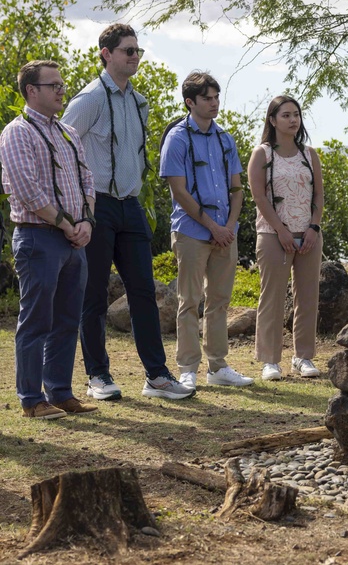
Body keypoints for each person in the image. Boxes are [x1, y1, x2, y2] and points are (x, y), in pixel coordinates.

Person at [61, 24, 194, 401]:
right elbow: (62, 149)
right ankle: (97, 376)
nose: (134, 56)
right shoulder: (88, 98)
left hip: (131, 206)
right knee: (93, 295)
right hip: (96, 205)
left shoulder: (138, 101)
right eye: (127, 50)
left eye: (137, 50)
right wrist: (79, 208)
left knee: (143, 292)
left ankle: (157, 376)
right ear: (106, 53)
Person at [0, 61, 98, 418]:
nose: (61, 90)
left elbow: (88, 181)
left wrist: (85, 222)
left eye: (61, 83)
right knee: (36, 320)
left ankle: (60, 392)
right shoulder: (17, 132)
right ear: (31, 91)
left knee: (68, 320)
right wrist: (66, 224)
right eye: (53, 85)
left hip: (74, 241)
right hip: (39, 238)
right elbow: (27, 190)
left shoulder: (68, 132)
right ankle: (31, 399)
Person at [160, 71, 252, 389]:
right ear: (190, 102)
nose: (214, 103)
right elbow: (179, 191)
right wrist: (212, 226)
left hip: (225, 233)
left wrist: (227, 227)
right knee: (189, 300)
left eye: (216, 97)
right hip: (190, 232)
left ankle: (218, 367)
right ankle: (188, 368)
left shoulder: (225, 139)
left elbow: (237, 189)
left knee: (220, 301)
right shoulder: (177, 138)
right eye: (207, 98)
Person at [247, 96, 325, 381]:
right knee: (273, 296)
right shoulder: (262, 154)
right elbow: (258, 196)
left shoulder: (309, 154)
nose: (293, 120)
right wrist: (280, 229)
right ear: (272, 120)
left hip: (309, 237)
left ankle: (303, 357)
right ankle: (270, 360)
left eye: (296, 115)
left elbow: (318, 194)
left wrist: (313, 229)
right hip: (272, 235)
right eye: (286, 115)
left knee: (307, 296)